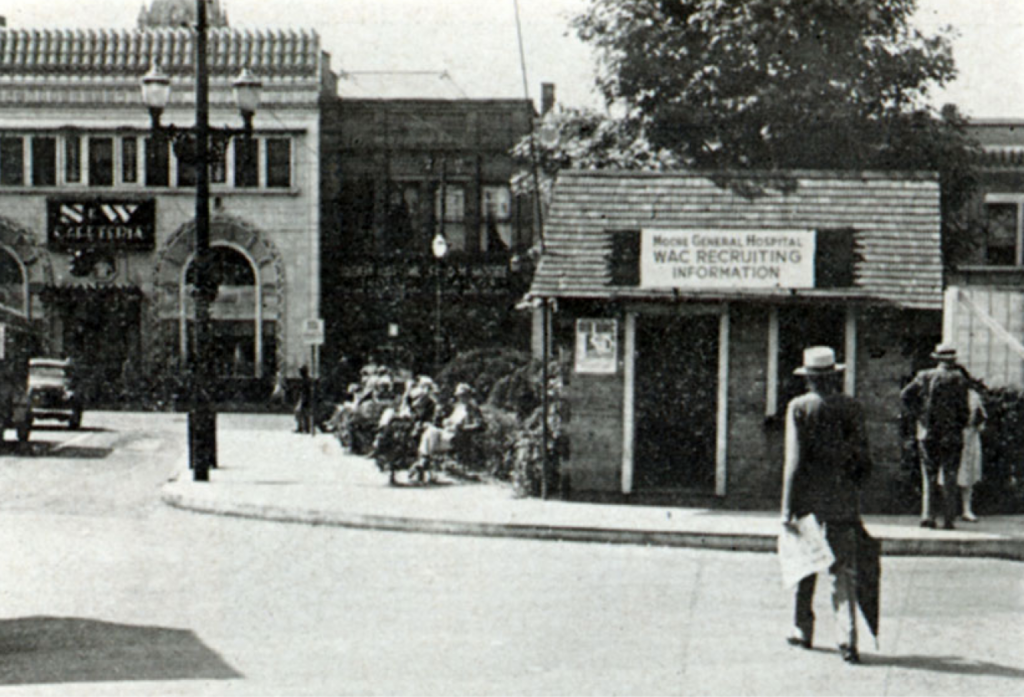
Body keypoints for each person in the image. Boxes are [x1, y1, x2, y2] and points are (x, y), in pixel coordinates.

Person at [781, 346, 872, 664]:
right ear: (835, 376)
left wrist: (786, 508)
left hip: (807, 502)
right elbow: (865, 459)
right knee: (843, 572)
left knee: (805, 567)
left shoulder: (799, 407)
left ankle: (802, 631)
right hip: (843, 501)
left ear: (808, 379)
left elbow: (794, 462)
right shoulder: (852, 407)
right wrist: (852, 490)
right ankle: (847, 640)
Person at [900, 343, 971, 530]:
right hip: (952, 434)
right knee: (950, 475)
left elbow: (905, 395)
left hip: (928, 433)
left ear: (937, 359)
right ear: (953, 360)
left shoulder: (924, 376)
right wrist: (959, 425)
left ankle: (928, 516)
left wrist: (919, 416)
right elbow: (965, 410)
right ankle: (949, 519)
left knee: (928, 475)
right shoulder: (960, 379)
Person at [408, 382, 484, 483]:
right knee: (431, 430)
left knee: (431, 434)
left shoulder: (472, 408)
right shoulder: (458, 407)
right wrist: (447, 421)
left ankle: (423, 461)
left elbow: (480, 425)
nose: (461, 398)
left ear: (468, 395)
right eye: (460, 396)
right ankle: (424, 462)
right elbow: (451, 419)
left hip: (457, 437)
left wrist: (463, 428)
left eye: (463, 395)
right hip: (447, 433)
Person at [956, 386, 987, 522]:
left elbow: (981, 419)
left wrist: (975, 423)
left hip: (970, 438)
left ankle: (966, 509)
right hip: (954, 437)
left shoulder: (973, 396)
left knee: (968, 474)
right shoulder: (950, 392)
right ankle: (949, 510)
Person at [294, 365, 313, 434]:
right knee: (303, 414)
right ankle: (304, 427)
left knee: (301, 413)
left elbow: (305, 391)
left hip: (305, 399)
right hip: (305, 399)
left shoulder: (306, 380)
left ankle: (302, 427)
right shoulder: (307, 380)